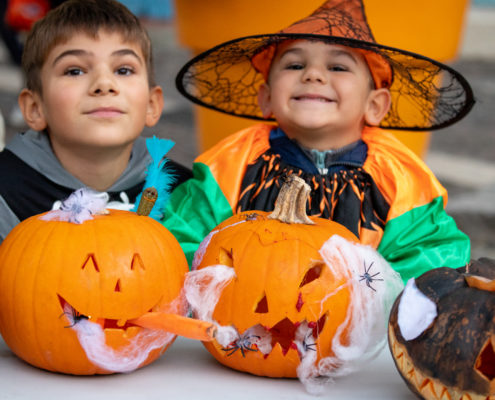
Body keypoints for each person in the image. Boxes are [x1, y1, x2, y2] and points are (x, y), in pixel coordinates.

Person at [160, 0, 475, 281]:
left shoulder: (400, 180)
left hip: (363, 324)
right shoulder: (231, 165)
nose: (313, 75)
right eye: (295, 65)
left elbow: (428, 258)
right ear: (266, 98)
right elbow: (184, 241)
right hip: (242, 316)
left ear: (375, 105)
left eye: (338, 67)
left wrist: (377, 301)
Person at [0, 0, 191, 243]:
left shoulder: (185, 194)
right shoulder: (6, 195)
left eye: (123, 70)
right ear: (35, 108)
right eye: (75, 71)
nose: (104, 84)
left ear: (152, 105)